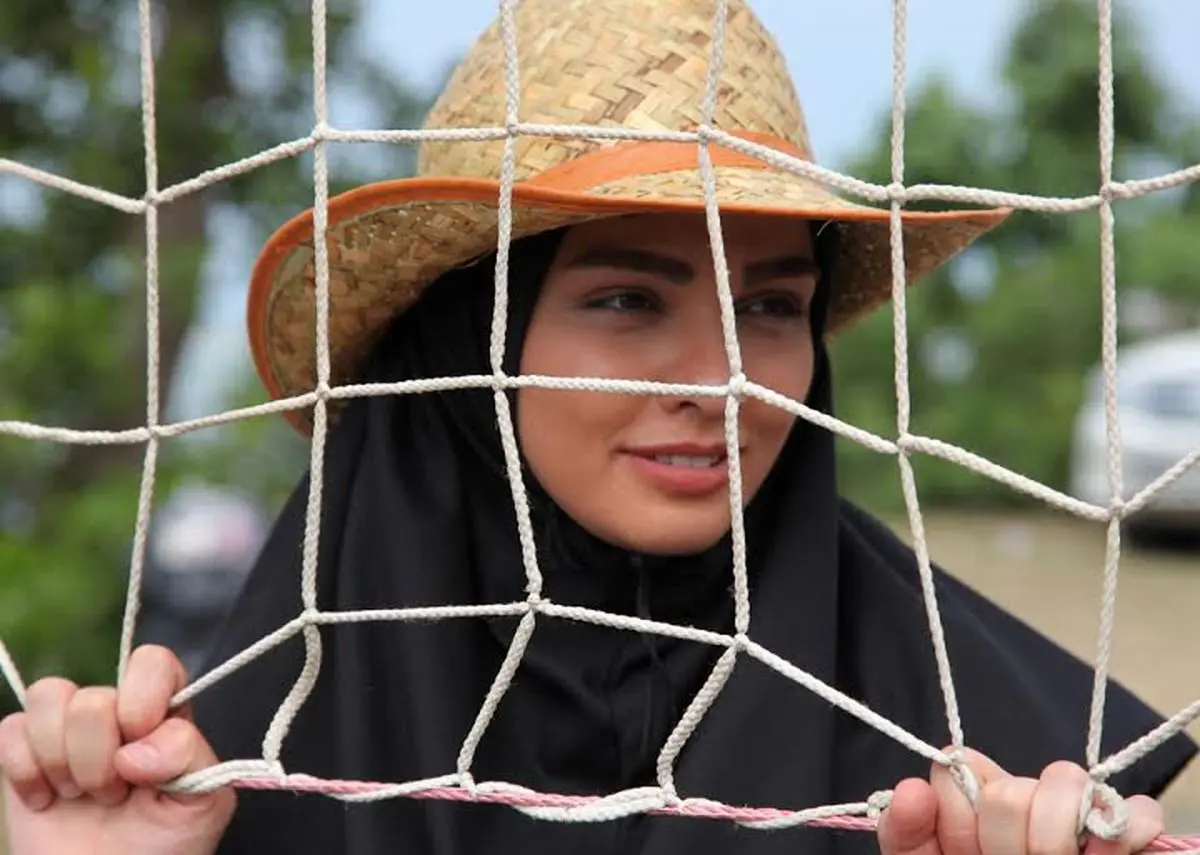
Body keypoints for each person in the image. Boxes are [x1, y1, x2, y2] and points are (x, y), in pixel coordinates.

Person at [1, 0, 1195, 853]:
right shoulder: (219, 771)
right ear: (468, 343)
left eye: (772, 305)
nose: (724, 380)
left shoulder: (995, 779)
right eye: (628, 300)